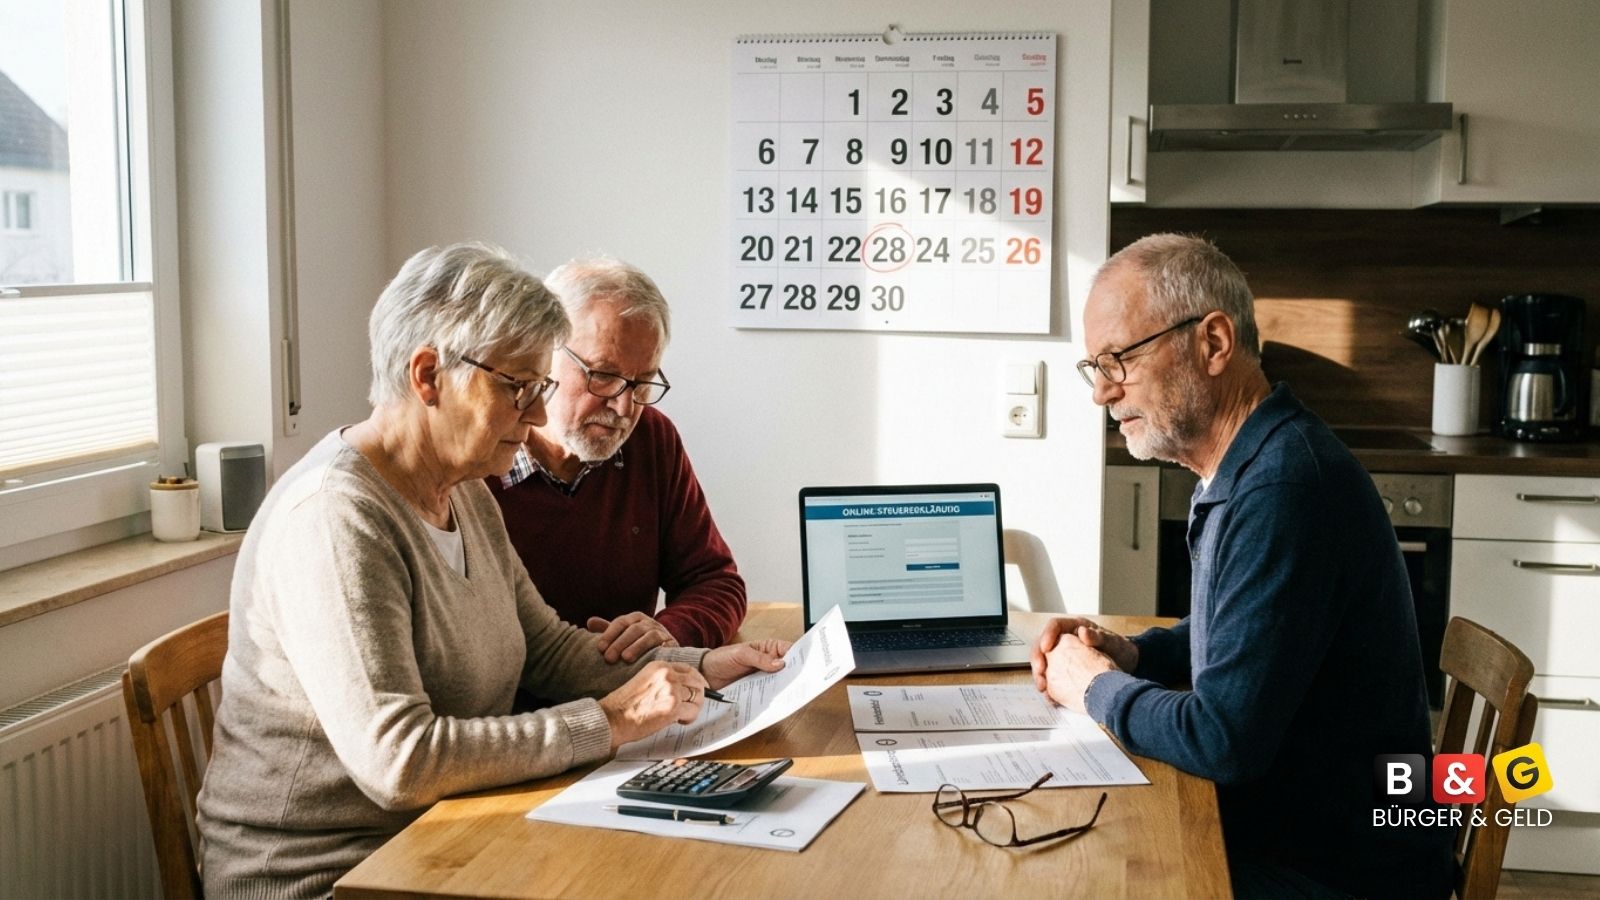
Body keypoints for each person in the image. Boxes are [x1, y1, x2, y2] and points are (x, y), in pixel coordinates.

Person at [196, 243, 788, 898]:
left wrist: (696, 667)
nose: (537, 415)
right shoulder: (335, 518)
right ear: (427, 376)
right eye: (518, 389)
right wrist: (612, 720)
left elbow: (549, 648)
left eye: (539, 388)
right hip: (330, 874)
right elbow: (401, 762)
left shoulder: (467, 488)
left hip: (450, 836)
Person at [1032, 234, 1454, 899]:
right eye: (1096, 367)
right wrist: (1134, 656)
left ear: (1214, 343)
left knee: (1078, 873)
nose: (1103, 391)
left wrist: (1093, 687)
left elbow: (1221, 741)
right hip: (1304, 833)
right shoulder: (1249, 465)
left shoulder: (1284, 489)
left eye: (1120, 358)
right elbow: (1237, 635)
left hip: (1338, 870)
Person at [489, 257, 745, 663]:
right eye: (602, 375)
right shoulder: (479, 456)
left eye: (644, 382)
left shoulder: (651, 439)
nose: (624, 406)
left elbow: (715, 581)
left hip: (629, 694)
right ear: (542, 352)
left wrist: (669, 632)